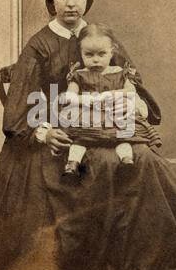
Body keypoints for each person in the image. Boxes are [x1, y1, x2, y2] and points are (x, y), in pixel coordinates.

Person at [0, 0, 176, 270]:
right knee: (77, 168)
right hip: (59, 129)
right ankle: (75, 265)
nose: (71, 3)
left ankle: (134, 263)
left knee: (145, 161)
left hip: (110, 129)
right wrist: (44, 132)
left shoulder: (100, 38)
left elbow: (130, 82)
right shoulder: (39, 44)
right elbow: (22, 105)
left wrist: (126, 108)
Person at [62, 23, 162, 178]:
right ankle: (72, 164)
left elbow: (131, 91)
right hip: (89, 119)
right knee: (80, 141)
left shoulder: (120, 73)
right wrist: (88, 99)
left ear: (112, 52)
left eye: (101, 54)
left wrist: (110, 95)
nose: (95, 60)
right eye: (89, 55)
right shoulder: (79, 75)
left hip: (115, 118)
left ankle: (127, 161)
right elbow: (69, 96)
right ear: (80, 53)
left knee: (122, 139)